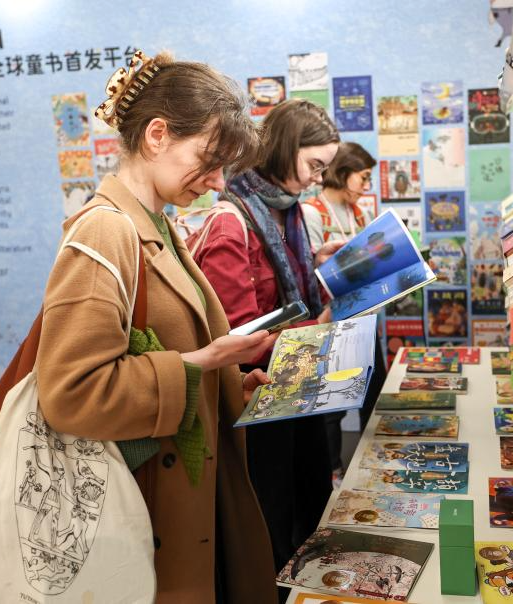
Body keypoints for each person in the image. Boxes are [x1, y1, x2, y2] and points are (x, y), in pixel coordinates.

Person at [35, 50, 278, 604]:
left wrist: (224, 389)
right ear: (157, 135)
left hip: (183, 495)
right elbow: (71, 394)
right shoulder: (104, 232)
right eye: (208, 161)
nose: (217, 183)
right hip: (144, 508)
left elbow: (167, 353)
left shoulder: (158, 226)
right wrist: (203, 364)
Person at [192, 98, 342, 589]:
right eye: (314, 165)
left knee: (310, 506)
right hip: (260, 398)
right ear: (284, 149)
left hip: (298, 392)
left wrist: (324, 268)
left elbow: (287, 298)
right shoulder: (231, 221)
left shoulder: (289, 213)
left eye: (325, 168)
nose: (318, 178)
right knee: (273, 521)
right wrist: (316, 329)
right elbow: (240, 336)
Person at [300, 142, 383, 485]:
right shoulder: (312, 212)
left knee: (372, 393)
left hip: (364, 318)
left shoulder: (358, 213)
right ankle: (332, 473)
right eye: (363, 177)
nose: (366, 186)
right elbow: (311, 273)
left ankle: (373, 466)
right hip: (331, 323)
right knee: (331, 405)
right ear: (344, 172)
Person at [301, 141, 376, 252]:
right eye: (364, 178)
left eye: (369, 180)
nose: (367, 187)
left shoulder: (363, 215)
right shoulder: (310, 213)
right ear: (342, 173)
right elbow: (310, 262)